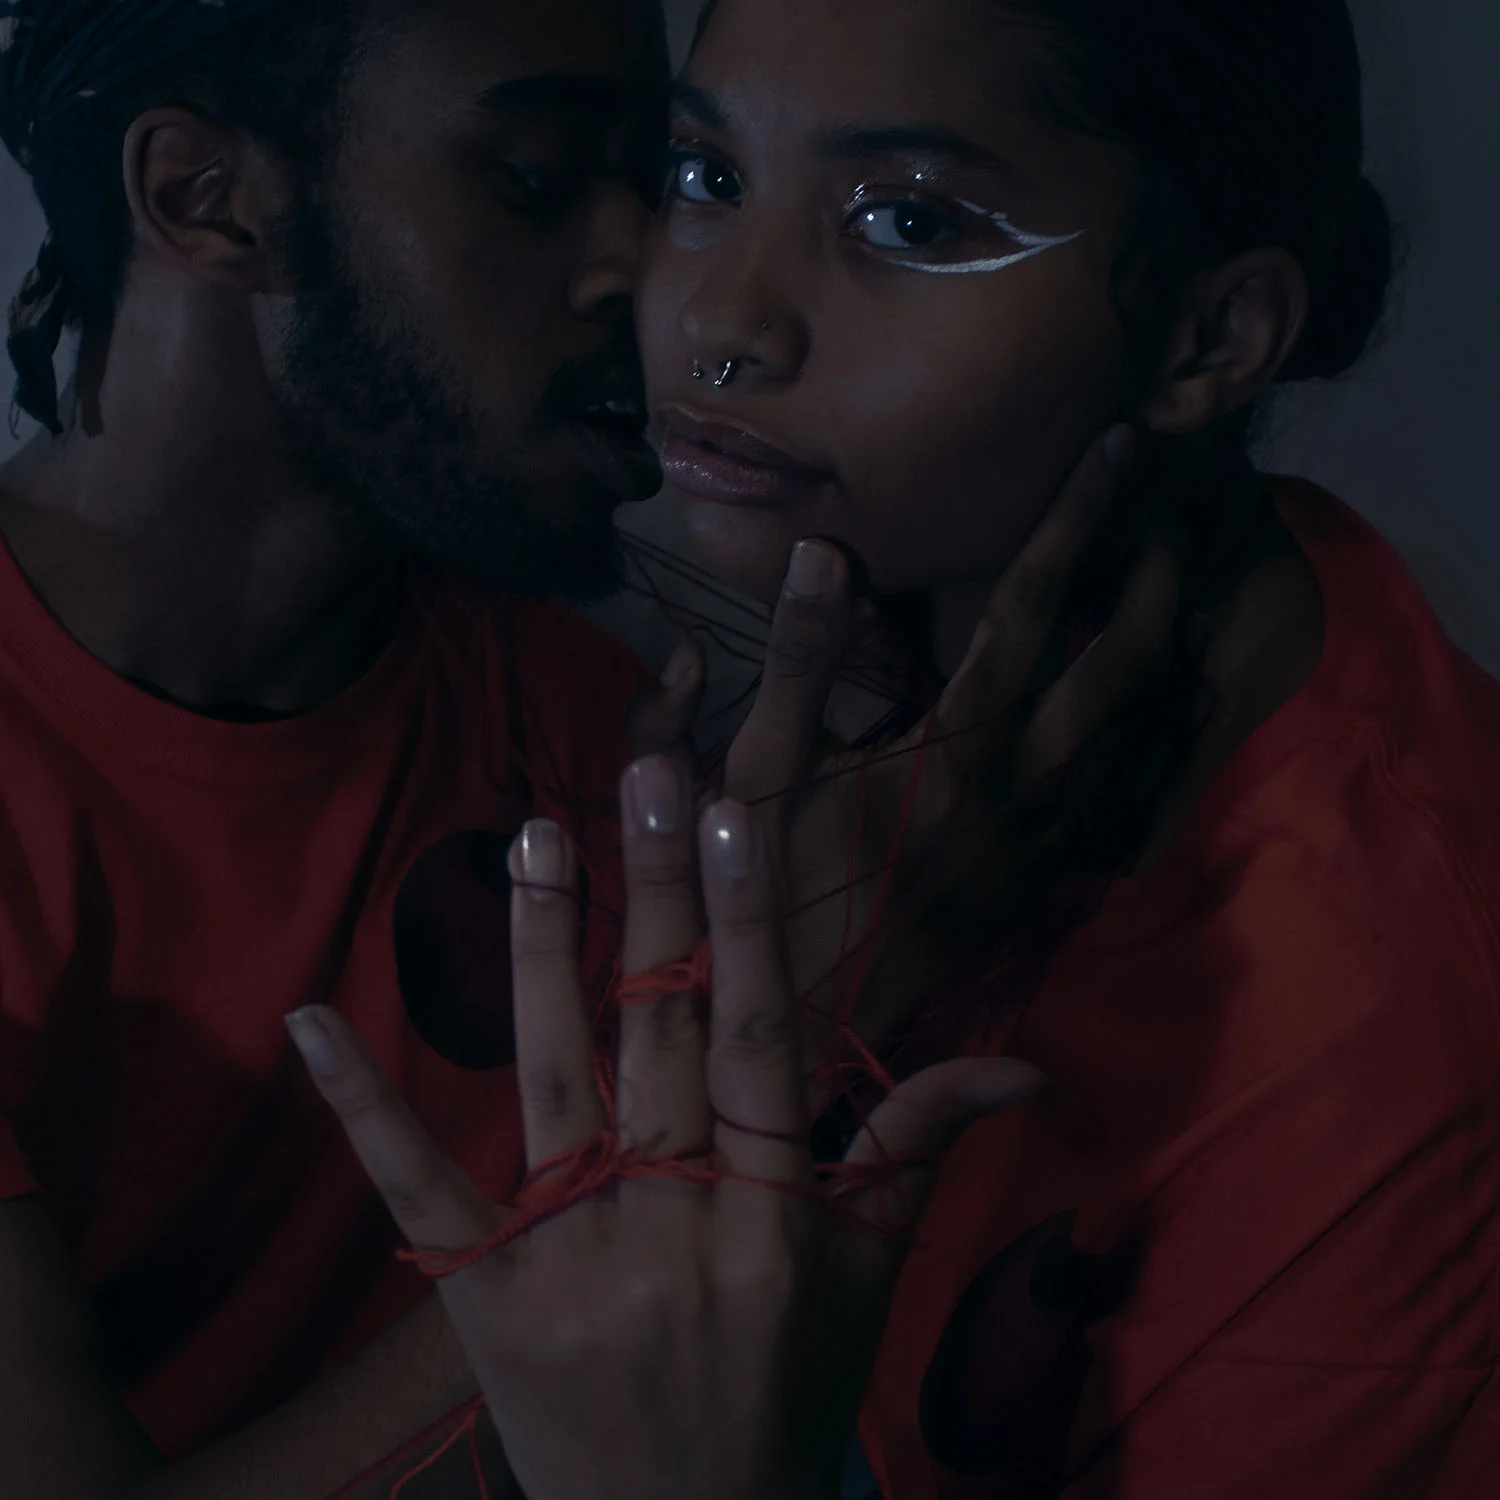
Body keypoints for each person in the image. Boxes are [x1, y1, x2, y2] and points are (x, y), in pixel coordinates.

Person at [308, 1, 1500, 1497]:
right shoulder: (810, 705)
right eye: (705, 177)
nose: (721, 325)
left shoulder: (1393, 1013)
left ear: (1209, 337)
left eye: (907, 220)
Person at [0, 0, 1160, 1495]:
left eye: (667, 183)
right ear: (205, 198)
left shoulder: (590, 709)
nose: (654, 276)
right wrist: (787, 1015)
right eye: (539, 177)